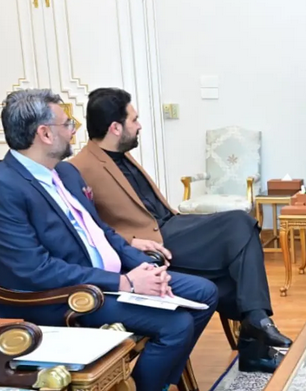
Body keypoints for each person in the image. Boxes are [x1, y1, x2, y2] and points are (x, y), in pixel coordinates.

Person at [0, 89, 219, 391]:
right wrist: (124, 281)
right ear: (44, 134)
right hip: (59, 301)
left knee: (203, 293)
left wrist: (145, 270)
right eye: (67, 124)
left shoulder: (66, 175)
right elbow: (31, 271)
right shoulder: (0, 189)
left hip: (105, 282)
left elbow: (102, 234)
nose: (73, 131)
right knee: (175, 323)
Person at [70, 87, 290, 374]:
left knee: (236, 260)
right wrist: (131, 241)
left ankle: (254, 338)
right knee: (239, 222)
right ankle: (256, 327)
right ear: (115, 127)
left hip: (173, 225)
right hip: (154, 242)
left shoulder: (122, 155)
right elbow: (85, 230)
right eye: (134, 120)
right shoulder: (79, 168)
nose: (139, 126)